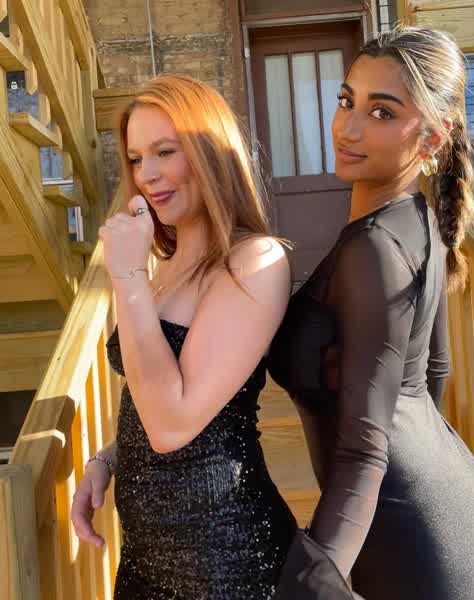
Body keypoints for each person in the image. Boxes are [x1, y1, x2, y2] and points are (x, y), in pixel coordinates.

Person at [269, 26, 474, 600]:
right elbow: (433, 376)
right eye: (346, 100)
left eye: (382, 112)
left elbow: (362, 449)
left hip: (414, 544)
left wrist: (313, 581)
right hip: (456, 514)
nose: (347, 128)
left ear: (432, 138)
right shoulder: (418, 219)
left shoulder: (375, 248)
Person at [71, 74, 297, 599]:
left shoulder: (254, 261)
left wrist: (127, 277)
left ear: (209, 152)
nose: (147, 174)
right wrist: (108, 459)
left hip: (226, 561)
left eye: (165, 152)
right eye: (135, 159)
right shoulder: (163, 268)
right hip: (145, 558)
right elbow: (148, 399)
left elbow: (172, 426)